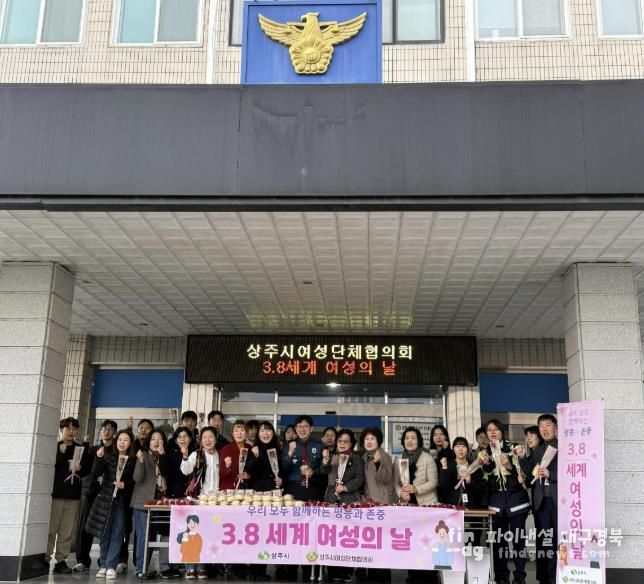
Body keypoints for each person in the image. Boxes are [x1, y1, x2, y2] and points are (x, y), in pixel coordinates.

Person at [480, 419, 530, 584]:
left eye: (496, 429)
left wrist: (509, 465)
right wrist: (486, 464)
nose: (493, 432)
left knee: (518, 541)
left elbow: (524, 473)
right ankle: (502, 577)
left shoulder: (514, 447)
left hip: (516, 500)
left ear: (502, 431)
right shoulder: (484, 452)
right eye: (489, 430)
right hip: (496, 502)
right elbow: (485, 477)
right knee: (499, 542)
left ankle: (520, 577)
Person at [86, 429, 137, 579]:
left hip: (122, 501)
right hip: (106, 500)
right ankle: (103, 565)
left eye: (126, 440)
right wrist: (98, 458)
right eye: (120, 439)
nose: (122, 442)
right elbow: (95, 473)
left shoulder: (133, 460)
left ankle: (111, 565)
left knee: (117, 533)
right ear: (116, 441)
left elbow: (135, 481)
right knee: (104, 534)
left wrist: (125, 485)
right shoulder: (109, 456)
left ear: (130, 443)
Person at [46, 417, 92, 574]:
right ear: (61, 430)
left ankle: (60, 561)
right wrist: (60, 454)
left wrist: (80, 467)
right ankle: (45, 558)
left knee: (66, 531)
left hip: (73, 495)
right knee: (51, 529)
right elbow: (48, 466)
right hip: (55, 495)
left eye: (74, 429)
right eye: (68, 428)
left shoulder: (80, 449)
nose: (71, 432)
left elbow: (86, 470)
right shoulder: (54, 446)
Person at [393, 427, 438, 584]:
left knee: (426, 542)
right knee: (411, 543)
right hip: (407, 506)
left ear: (419, 441)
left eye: (413, 438)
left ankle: (428, 577)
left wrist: (416, 489)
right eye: (406, 438)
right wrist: (401, 493)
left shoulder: (427, 458)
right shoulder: (399, 460)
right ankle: (412, 576)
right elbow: (395, 483)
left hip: (425, 505)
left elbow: (434, 481)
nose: (409, 441)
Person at [281, 415, 323, 580]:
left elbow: (324, 470)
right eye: (299, 426)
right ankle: (291, 569)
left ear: (311, 429)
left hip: (312, 491)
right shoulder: (289, 445)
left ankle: (309, 570)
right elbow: (283, 469)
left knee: (311, 532)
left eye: (305, 426)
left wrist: (314, 472)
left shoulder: (319, 446)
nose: (302, 429)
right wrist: (289, 453)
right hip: (293, 490)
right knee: (292, 531)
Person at [518, 415, 558, 584]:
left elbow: (572, 473)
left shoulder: (565, 447)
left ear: (555, 427)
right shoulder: (538, 450)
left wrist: (551, 474)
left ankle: (557, 577)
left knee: (558, 541)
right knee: (545, 542)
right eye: (541, 425)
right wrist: (522, 457)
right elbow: (531, 473)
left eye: (547, 425)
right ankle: (546, 578)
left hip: (559, 502)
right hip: (541, 502)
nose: (544, 428)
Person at [321, 429, 365, 584]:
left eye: (346, 441)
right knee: (332, 536)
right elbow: (323, 472)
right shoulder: (333, 456)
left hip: (349, 500)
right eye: (340, 441)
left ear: (351, 443)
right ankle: (332, 570)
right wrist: (325, 460)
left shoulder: (356, 458)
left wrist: (346, 487)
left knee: (348, 536)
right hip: (332, 499)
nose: (342, 444)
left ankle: (347, 571)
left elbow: (360, 478)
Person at [74, 420, 118, 573]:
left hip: (108, 493)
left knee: (107, 527)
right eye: (104, 428)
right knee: (85, 526)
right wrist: (85, 445)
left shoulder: (116, 451)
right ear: (100, 431)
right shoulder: (92, 449)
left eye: (110, 429)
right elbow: (81, 467)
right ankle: (82, 560)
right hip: (91, 492)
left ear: (114, 432)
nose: (106, 431)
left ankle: (104, 560)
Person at [132, 430, 169, 578]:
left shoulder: (164, 456)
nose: (156, 441)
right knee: (143, 536)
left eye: (159, 439)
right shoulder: (143, 455)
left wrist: (163, 456)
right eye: (153, 439)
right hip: (142, 502)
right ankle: (140, 569)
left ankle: (145, 567)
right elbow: (137, 478)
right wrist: (140, 461)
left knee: (152, 537)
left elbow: (167, 474)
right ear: (149, 442)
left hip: (158, 503)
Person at [161, 427, 196, 580]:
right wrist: (162, 455)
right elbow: (164, 471)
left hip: (191, 498)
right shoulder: (170, 454)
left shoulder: (196, 454)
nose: (182, 439)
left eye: (185, 436)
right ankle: (165, 566)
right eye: (179, 437)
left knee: (188, 532)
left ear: (190, 439)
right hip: (173, 497)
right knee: (168, 531)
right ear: (175, 440)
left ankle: (182, 564)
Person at [249, 421, 283, 581]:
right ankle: (254, 569)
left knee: (268, 532)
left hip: (273, 495)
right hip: (257, 495)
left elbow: (283, 471)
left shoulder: (278, 449)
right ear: (258, 434)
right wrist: (255, 457)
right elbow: (248, 471)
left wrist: (281, 480)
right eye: (262, 431)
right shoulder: (253, 449)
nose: (265, 433)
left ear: (273, 433)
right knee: (255, 533)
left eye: (268, 430)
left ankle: (261, 569)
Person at [360, 427, 393, 583]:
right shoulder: (364, 457)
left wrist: (378, 462)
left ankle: (383, 577)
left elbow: (386, 478)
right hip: (368, 504)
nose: (369, 441)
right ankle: (372, 574)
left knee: (382, 542)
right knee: (371, 541)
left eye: (372, 438)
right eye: (366, 439)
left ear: (378, 441)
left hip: (382, 504)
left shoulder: (384, 456)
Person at [521, 426, 547, 584]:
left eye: (532, 435)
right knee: (541, 540)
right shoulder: (532, 455)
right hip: (538, 502)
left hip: (548, 501)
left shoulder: (545, 452)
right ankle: (543, 577)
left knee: (547, 540)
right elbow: (530, 478)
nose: (528, 438)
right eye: (527, 435)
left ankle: (548, 576)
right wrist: (522, 458)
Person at [438, 437, 486, 508]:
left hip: (471, 507)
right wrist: (444, 468)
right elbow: (443, 487)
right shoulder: (448, 465)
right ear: (453, 449)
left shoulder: (475, 466)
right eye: (457, 446)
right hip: (452, 506)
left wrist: (470, 481)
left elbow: (482, 489)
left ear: (468, 449)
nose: (460, 449)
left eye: (463, 446)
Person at [219, 420, 256, 490]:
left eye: (242, 430)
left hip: (245, 489)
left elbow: (253, 471)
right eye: (236, 431)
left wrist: (248, 476)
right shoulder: (225, 449)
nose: (239, 433)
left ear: (246, 433)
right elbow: (221, 475)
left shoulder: (250, 448)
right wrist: (227, 467)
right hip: (229, 489)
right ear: (232, 434)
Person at [430, 424, 455, 503]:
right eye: (435, 435)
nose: (438, 437)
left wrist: (445, 450)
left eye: (441, 434)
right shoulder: (428, 453)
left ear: (446, 437)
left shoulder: (452, 453)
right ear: (432, 438)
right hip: (432, 491)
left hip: (449, 492)